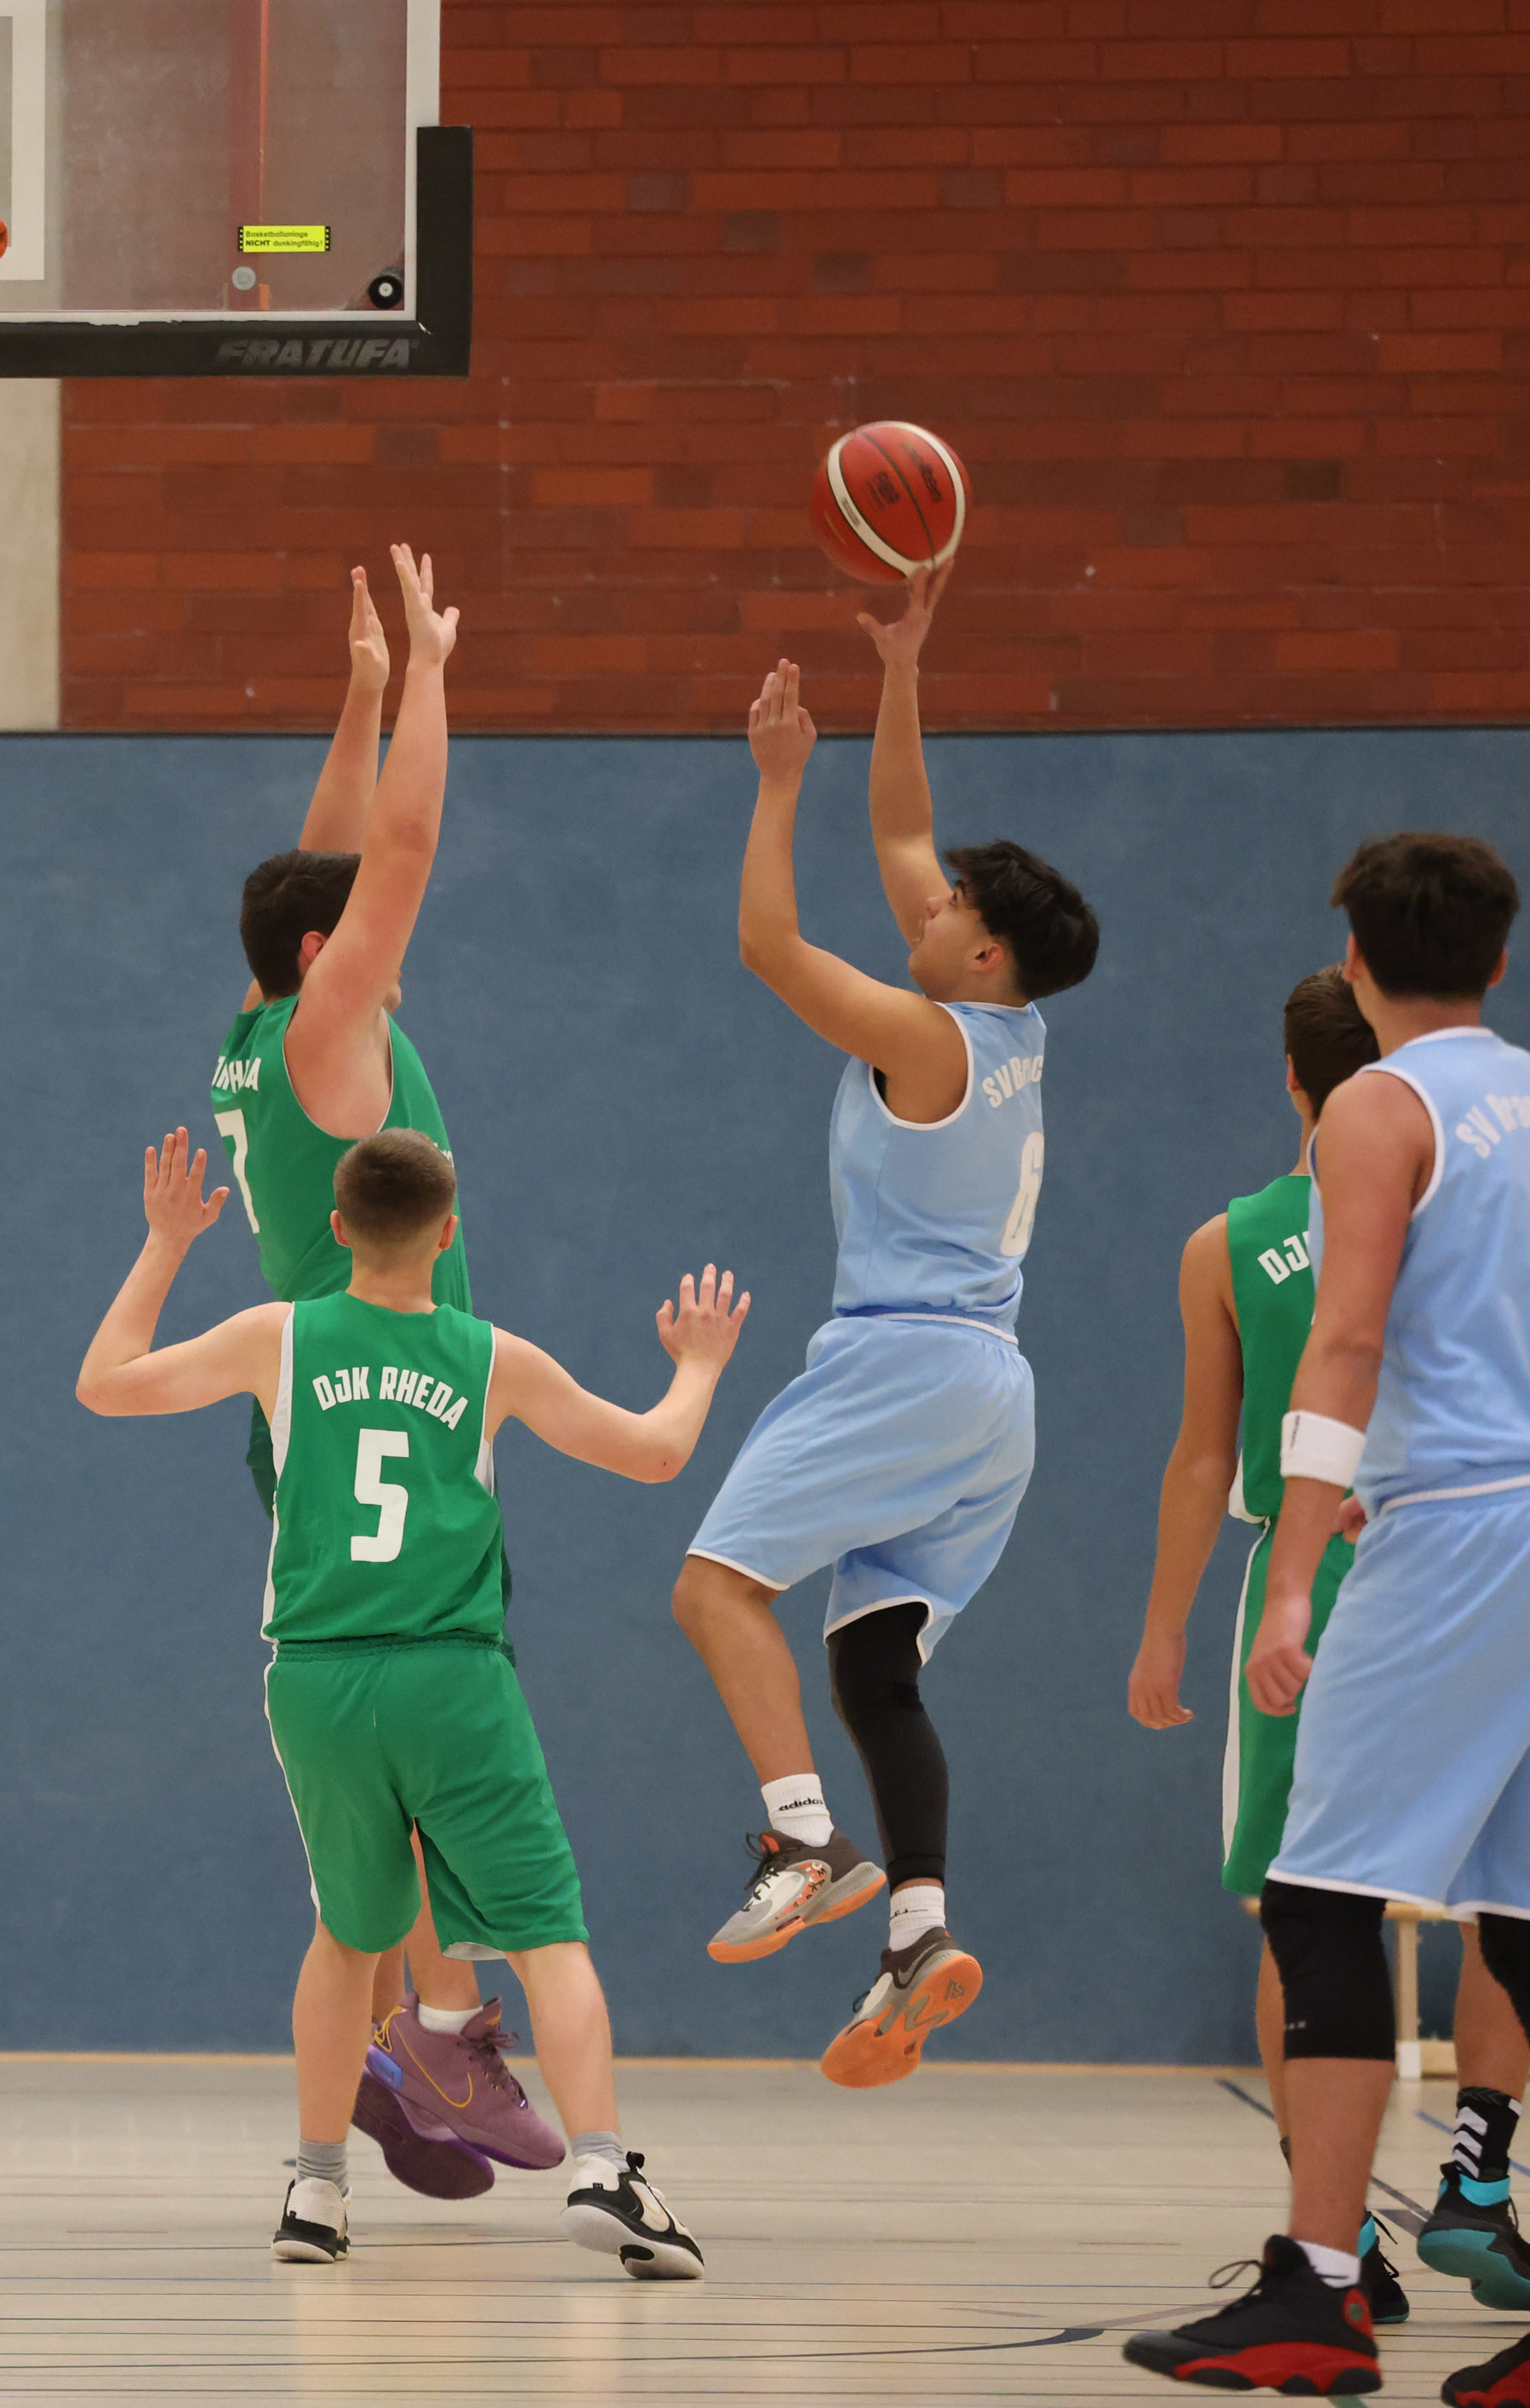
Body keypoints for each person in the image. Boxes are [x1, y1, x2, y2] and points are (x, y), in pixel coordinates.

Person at [1128, 836, 1530, 2405]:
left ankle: (1315, 2289)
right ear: (1496, 959)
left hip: (1460, 1526)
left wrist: (1293, 1567)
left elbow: (1345, 1340)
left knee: (1319, 1900)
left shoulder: (1373, 1103)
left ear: (1352, 958)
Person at [78, 1124, 749, 2279]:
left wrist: (165, 1240)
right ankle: (602, 2171)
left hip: (317, 1679)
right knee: (544, 1935)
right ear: (448, 1234)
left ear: (338, 1228)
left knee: (349, 1938)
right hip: (451, 1673)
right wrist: (697, 1365)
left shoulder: (276, 1336)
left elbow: (104, 1382)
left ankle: (315, 2190)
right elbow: (652, 1456)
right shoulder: (492, 1358)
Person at [671, 567, 1101, 2087]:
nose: (925, 902)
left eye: (950, 908)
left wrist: (776, 783)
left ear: (981, 953)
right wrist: (902, 668)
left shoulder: (924, 1036)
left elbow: (767, 945)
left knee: (714, 1588)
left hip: (901, 1359)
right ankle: (918, 1929)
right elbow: (908, 831)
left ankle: (803, 1841)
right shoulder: (1013, 1024)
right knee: (875, 1668)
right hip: (993, 1392)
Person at [1124, 968, 1530, 2322]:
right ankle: (1477, 2172)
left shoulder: (1226, 1244)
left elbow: (1202, 1456)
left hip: (1305, 1567)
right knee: (1511, 1889)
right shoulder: (1467, 1208)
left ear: (1291, 1078)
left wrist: (1163, 1626)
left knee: (1302, 1906)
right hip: (1465, 1551)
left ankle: (1336, 2228)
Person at [205, 552, 521, 2201]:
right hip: (370, 1400)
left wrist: (362, 697)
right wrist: (436, 673)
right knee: (423, 1724)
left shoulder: (265, 1023)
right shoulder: (335, 1036)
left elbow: (329, 869)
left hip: (317, 1417)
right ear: (329, 953)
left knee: (392, 1743)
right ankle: (439, 2023)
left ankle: (418, 2032)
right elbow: (390, 856)